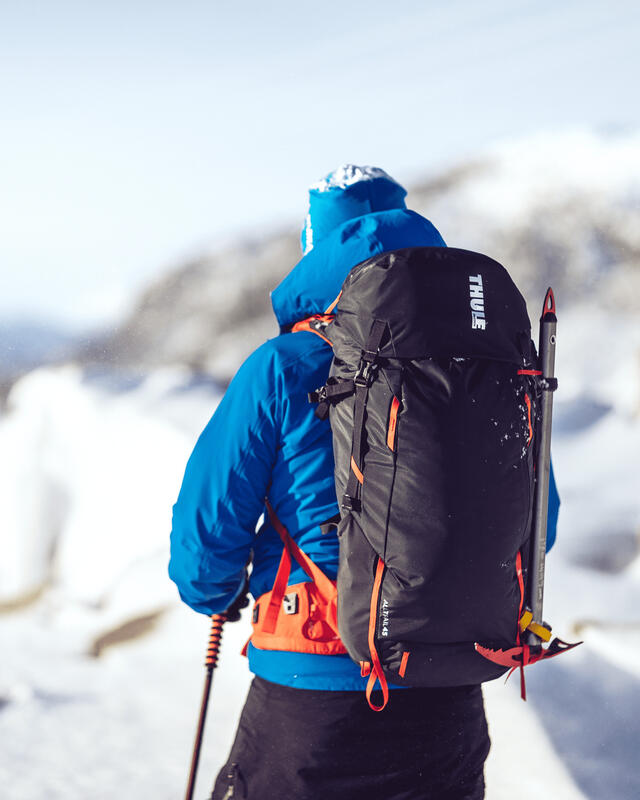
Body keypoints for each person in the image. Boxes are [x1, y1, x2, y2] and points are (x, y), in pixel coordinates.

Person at [169, 165, 560, 800]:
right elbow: (541, 518)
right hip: (449, 688)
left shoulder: (283, 367)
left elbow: (209, 523)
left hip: (312, 682)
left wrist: (214, 593)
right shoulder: (487, 365)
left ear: (314, 250)